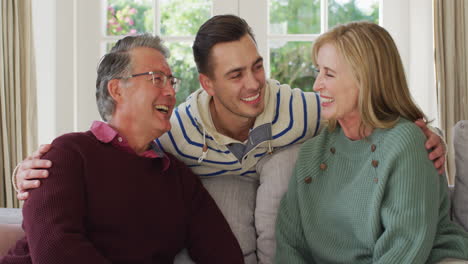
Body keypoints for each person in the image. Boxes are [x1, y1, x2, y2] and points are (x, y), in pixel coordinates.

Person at [13, 15, 446, 263]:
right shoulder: (166, 138)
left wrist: (429, 134)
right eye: (236, 75)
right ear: (208, 85)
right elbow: (58, 245)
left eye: (257, 66)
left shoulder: (301, 112)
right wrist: (25, 170)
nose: (255, 84)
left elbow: (377, 109)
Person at [0, 34, 244, 264]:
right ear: (117, 90)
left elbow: (225, 255)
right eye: (157, 79)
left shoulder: (179, 179)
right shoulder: (68, 154)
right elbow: (55, 249)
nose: (170, 92)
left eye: (171, 82)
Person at [275, 21, 468, 264]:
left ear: (365, 80)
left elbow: (405, 246)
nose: (316, 85)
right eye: (318, 72)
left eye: (329, 74)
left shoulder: (406, 143)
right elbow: (288, 245)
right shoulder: (312, 153)